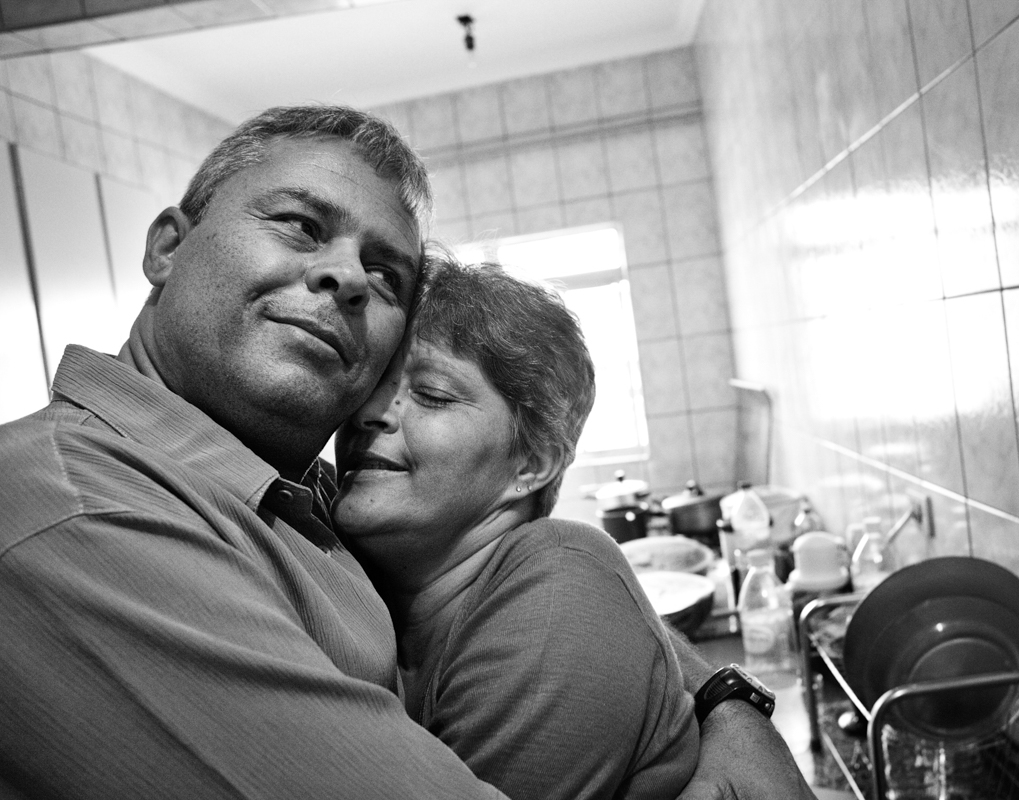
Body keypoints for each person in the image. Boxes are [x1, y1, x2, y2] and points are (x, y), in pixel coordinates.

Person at [0, 104, 807, 799]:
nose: (347, 277)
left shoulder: (286, 493)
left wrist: (722, 700)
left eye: (386, 273)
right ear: (168, 247)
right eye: (301, 224)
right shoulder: (85, 511)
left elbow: (571, 600)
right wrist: (721, 706)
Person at [334, 255, 698, 800]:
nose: (372, 413)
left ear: (531, 464)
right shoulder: (358, 575)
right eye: (370, 384)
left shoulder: (559, 594)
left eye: (432, 395)